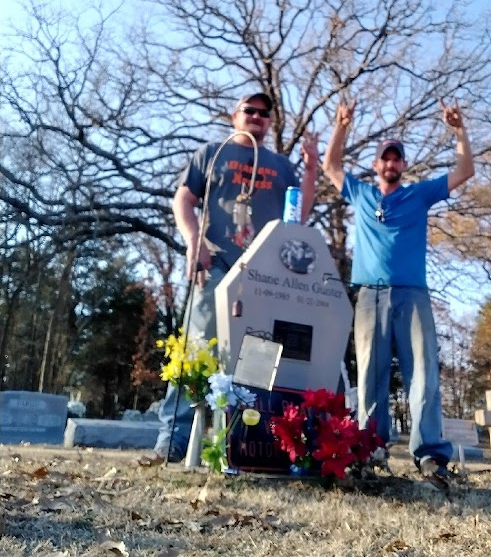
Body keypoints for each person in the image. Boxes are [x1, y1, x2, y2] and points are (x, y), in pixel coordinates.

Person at [151, 90, 318, 462]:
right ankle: (175, 440)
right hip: (217, 262)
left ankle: (244, 442)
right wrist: (195, 240)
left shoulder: (281, 165)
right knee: (198, 348)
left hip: (264, 271)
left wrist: (310, 169)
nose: (257, 116)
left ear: (271, 122)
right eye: (250, 110)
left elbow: (299, 213)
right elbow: (183, 199)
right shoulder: (211, 153)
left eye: (264, 113)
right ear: (235, 115)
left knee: (257, 354)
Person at [322, 97, 474, 489]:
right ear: (376, 165)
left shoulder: (419, 195)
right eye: (385, 159)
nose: (390, 164)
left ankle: (429, 457)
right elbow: (331, 166)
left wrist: (459, 132)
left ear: (403, 166)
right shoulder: (361, 194)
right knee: (370, 375)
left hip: (412, 295)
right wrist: (341, 125)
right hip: (370, 297)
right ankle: (370, 449)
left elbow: (464, 171)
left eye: (396, 159)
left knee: (422, 374)